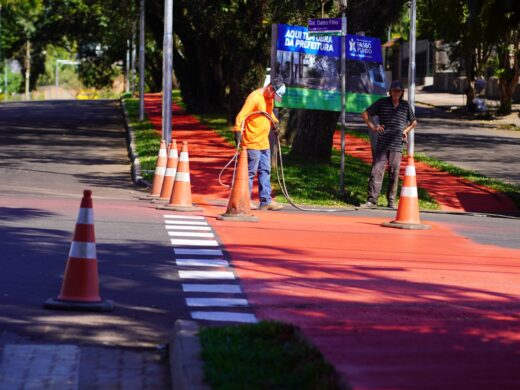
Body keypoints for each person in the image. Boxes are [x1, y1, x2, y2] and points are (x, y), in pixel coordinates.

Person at [360, 80, 417, 208]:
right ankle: (372, 200)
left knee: (394, 172)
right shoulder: (382, 102)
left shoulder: (405, 106)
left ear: (402, 92)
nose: (396, 93)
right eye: (394, 90)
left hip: (397, 143)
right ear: (390, 91)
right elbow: (364, 114)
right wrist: (373, 127)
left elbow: (414, 123)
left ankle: (391, 201)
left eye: (399, 91)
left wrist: (404, 131)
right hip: (382, 142)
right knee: (376, 170)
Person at [232, 79, 286, 211]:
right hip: (251, 141)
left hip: (264, 142)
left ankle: (266, 201)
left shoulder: (270, 98)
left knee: (265, 171)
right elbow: (241, 115)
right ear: (270, 88)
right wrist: (237, 130)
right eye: (274, 94)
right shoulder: (254, 97)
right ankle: (245, 200)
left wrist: (275, 122)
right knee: (250, 172)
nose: (274, 98)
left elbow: (269, 113)